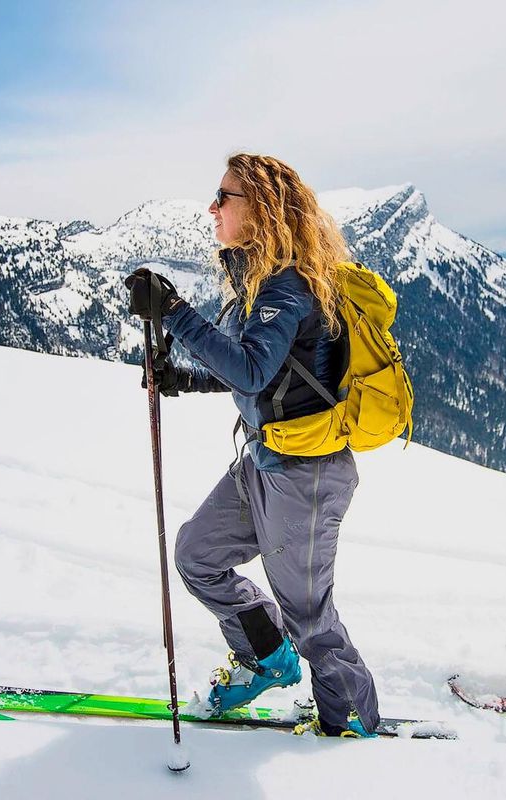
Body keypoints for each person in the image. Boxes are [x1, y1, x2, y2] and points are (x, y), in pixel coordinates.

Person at [123, 153, 379, 738]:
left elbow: (254, 369)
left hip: (306, 477)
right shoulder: (258, 282)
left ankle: (353, 725)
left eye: (224, 196)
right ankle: (266, 656)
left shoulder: (286, 285)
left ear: (260, 208)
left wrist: (175, 315)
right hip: (265, 462)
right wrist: (183, 379)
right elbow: (268, 378)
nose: (212, 207)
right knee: (197, 554)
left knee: (310, 615)